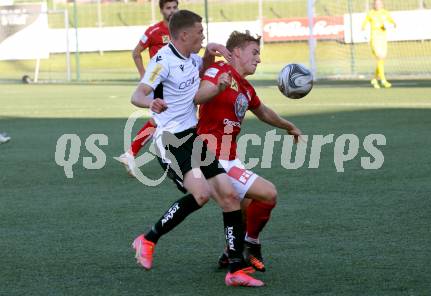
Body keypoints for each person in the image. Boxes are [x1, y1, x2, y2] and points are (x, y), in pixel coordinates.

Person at [130, 10, 264, 287]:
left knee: (229, 196)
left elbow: (197, 70)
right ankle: (148, 238)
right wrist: (151, 104)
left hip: (193, 137)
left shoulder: (191, 57)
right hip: (170, 140)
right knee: (201, 194)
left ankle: (235, 269)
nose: (203, 36)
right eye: (200, 33)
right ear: (184, 35)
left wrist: (208, 54)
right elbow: (138, 94)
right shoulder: (161, 61)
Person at [194, 31, 302, 272]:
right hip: (211, 157)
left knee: (248, 205)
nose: (259, 59)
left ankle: (228, 254)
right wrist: (209, 54)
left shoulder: (246, 87)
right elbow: (201, 83)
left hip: (230, 159)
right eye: (254, 52)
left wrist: (289, 126)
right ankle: (251, 244)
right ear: (237, 52)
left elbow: (264, 112)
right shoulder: (219, 71)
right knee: (268, 193)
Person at [118, 0, 178, 176]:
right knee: (164, 119)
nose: (172, 11)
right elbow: (136, 52)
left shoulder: (181, 29)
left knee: (163, 120)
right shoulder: (153, 31)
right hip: (161, 83)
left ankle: (130, 154)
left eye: (175, 7)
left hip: (177, 83)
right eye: (168, 8)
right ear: (161, 10)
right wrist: (144, 75)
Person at [362, 0, 396, 88]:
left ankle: (374, 79)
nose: (377, 5)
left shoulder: (385, 13)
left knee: (381, 59)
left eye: (379, 3)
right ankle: (383, 80)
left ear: (382, 4)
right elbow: (363, 25)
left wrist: (389, 25)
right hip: (374, 39)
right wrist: (364, 35)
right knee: (379, 57)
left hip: (383, 39)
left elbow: (393, 23)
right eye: (376, 3)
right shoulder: (370, 14)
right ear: (373, 4)